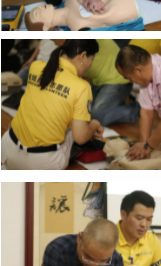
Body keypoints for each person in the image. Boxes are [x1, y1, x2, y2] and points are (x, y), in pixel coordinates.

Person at [1, 40, 104, 170]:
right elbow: (80, 138)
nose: (91, 64)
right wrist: (94, 124)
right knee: (76, 126)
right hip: (41, 163)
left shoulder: (36, 66)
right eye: (92, 59)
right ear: (82, 56)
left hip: (7, 150)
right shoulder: (82, 87)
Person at [83, 39, 139, 127]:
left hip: (118, 81)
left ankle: (135, 109)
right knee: (84, 113)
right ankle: (115, 105)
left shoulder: (84, 36)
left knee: (94, 118)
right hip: (98, 82)